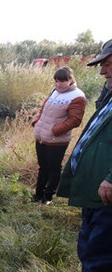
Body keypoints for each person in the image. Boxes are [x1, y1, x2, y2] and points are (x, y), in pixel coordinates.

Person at [54, 39, 112, 272]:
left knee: (102, 248)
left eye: (108, 63)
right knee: (89, 243)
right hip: (95, 190)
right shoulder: (110, 95)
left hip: (107, 191)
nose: (103, 71)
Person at [31, 66, 87, 205]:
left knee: (54, 169)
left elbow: (75, 120)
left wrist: (55, 130)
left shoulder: (77, 96)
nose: (58, 84)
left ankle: (48, 197)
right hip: (42, 137)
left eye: (62, 81)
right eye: (56, 81)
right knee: (42, 167)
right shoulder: (54, 91)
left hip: (57, 140)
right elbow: (44, 108)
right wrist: (37, 119)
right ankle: (38, 195)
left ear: (71, 80)